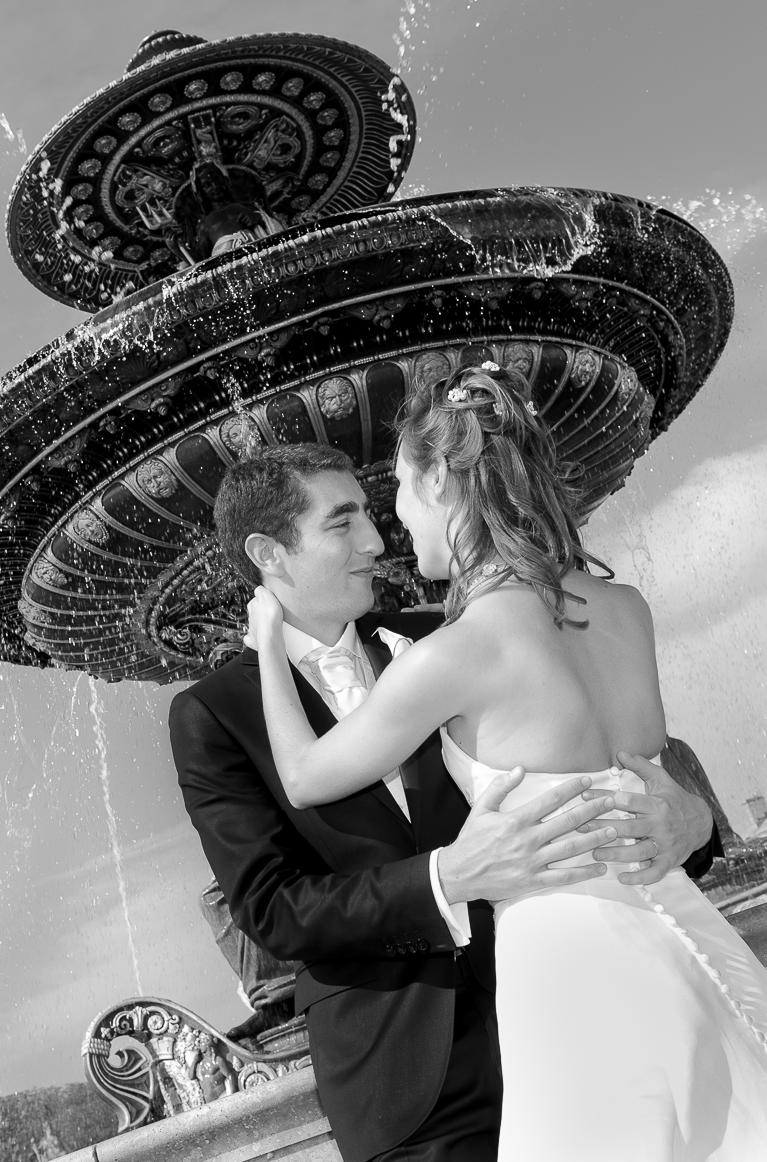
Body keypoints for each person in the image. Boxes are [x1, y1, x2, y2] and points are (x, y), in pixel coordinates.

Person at [246, 365, 767, 1160]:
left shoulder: (457, 653)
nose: (392, 528)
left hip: (570, 960)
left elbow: (306, 776)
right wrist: (692, 814)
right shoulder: (626, 611)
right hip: (682, 933)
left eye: (399, 491)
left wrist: (264, 648)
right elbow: (650, 769)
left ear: (439, 480)